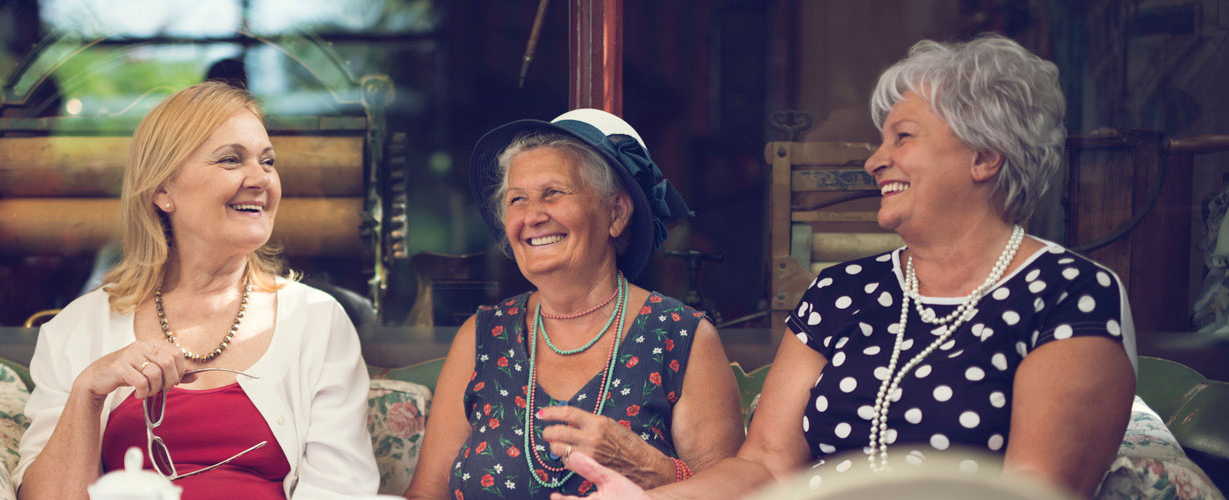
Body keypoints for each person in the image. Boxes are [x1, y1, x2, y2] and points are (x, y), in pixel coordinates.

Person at [550, 34, 1137, 500]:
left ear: (984, 157)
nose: (877, 161)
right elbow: (765, 464)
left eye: (902, 138)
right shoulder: (843, 292)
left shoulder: (1068, 295)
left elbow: (1035, 491)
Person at [13, 81, 378, 499]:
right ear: (162, 191)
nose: (260, 179)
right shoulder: (79, 327)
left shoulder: (317, 320)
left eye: (268, 161)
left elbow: (340, 491)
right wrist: (88, 391)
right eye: (231, 159)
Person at [404, 109, 746, 499]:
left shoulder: (680, 337)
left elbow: (733, 493)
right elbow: (425, 494)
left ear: (615, 214)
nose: (532, 216)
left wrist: (652, 469)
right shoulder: (483, 336)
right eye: (517, 199)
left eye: (553, 193)